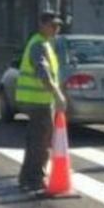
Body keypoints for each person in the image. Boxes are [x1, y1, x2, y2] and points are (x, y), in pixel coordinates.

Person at [16, 11, 67, 193]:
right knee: (40, 143)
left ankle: (27, 178)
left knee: (36, 141)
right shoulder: (39, 44)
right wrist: (58, 94)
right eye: (53, 25)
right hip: (38, 102)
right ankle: (35, 179)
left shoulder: (44, 43)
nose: (56, 28)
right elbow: (43, 73)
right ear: (42, 25)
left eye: (58, 25)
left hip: (39, 101)